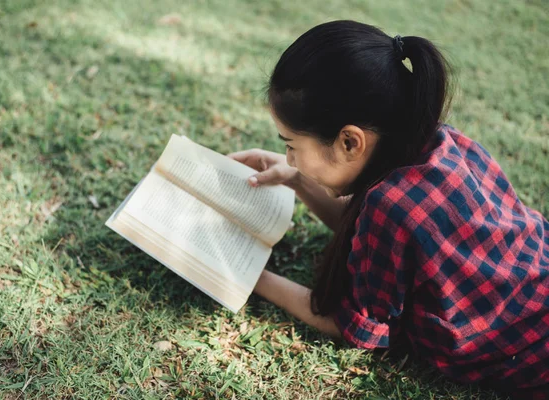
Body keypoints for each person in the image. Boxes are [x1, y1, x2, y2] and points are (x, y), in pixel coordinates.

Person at [228, 20, 549, 398]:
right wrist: (297, 179)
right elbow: (369, 229)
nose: (290, 158)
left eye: (291, 146)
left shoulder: (391, 207)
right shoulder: (442, 141)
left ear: (349, 141)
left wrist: (252, 274)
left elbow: (353, 327)